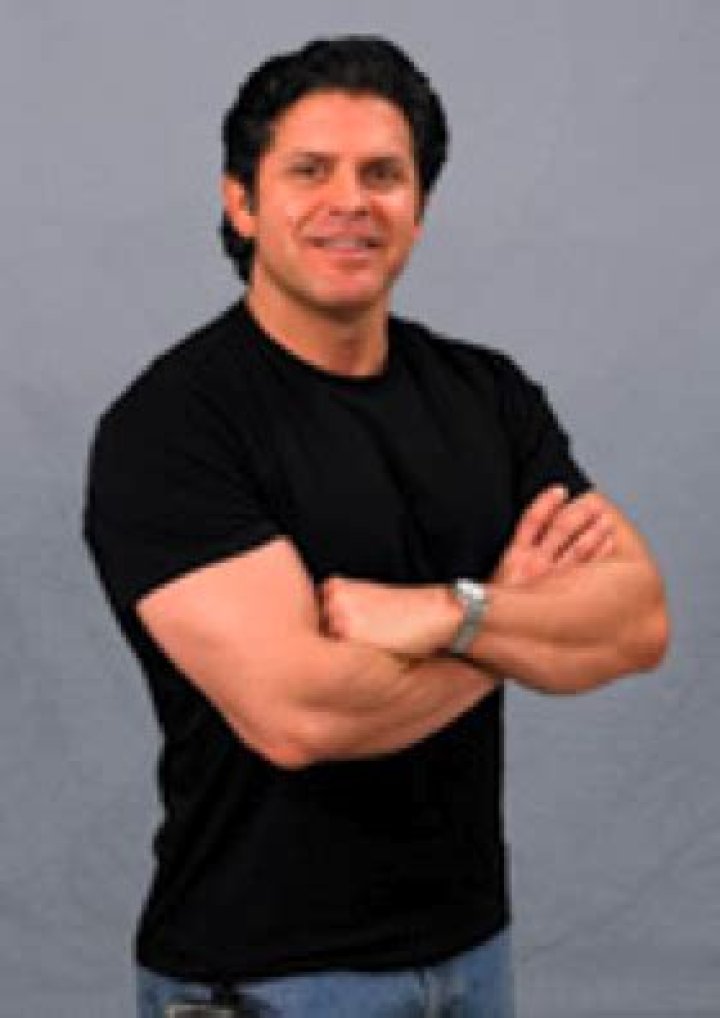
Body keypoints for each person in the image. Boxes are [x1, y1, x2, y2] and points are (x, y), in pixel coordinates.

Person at [82, 36, 669, 1018]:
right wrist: (514, 619)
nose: (350, 200)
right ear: (243, 202)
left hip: (474, 954)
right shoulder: (172, 427)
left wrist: (446, 611)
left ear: (419, 208)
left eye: (383, 174)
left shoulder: (489, 396)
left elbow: (637, 622)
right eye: (310, 171)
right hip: (267, 975)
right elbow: (302, 716)